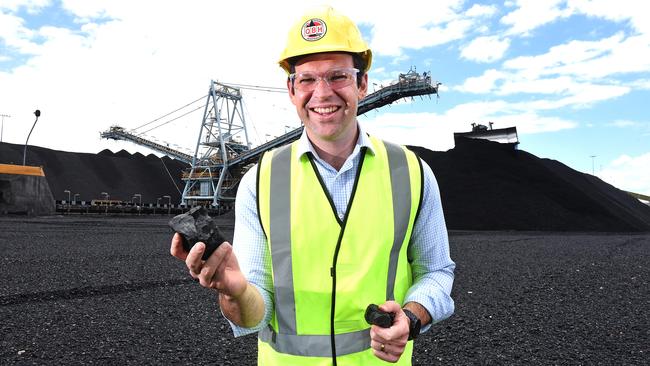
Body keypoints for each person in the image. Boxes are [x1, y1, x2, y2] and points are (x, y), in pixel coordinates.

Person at [170, 6, 455, 365]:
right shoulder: (259, 182)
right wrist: (235, 292)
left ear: (362, 84)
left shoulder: (412, 172)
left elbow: (436, 273)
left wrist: (412, 317)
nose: (322, 93)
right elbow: (255, 315)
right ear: (291, 89)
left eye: (337, 76)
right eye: (306, 79)